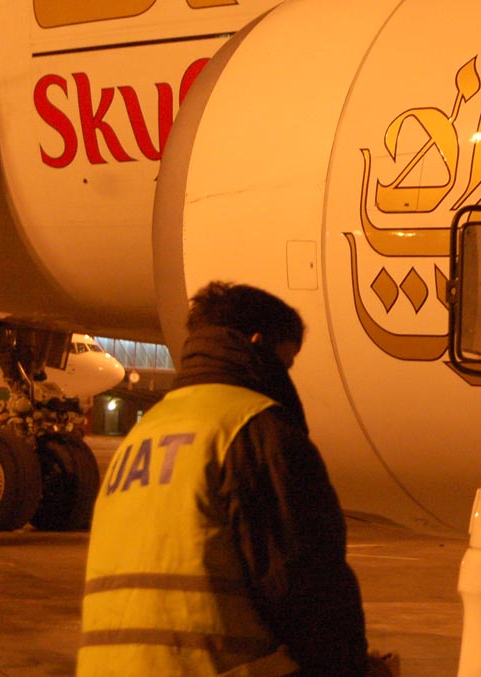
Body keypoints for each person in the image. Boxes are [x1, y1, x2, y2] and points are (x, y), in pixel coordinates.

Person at [78, 281, 382, 676]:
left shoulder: (142, 434)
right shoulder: (255, 431)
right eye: (286, 363)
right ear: (258, 344)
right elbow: (308, 590)